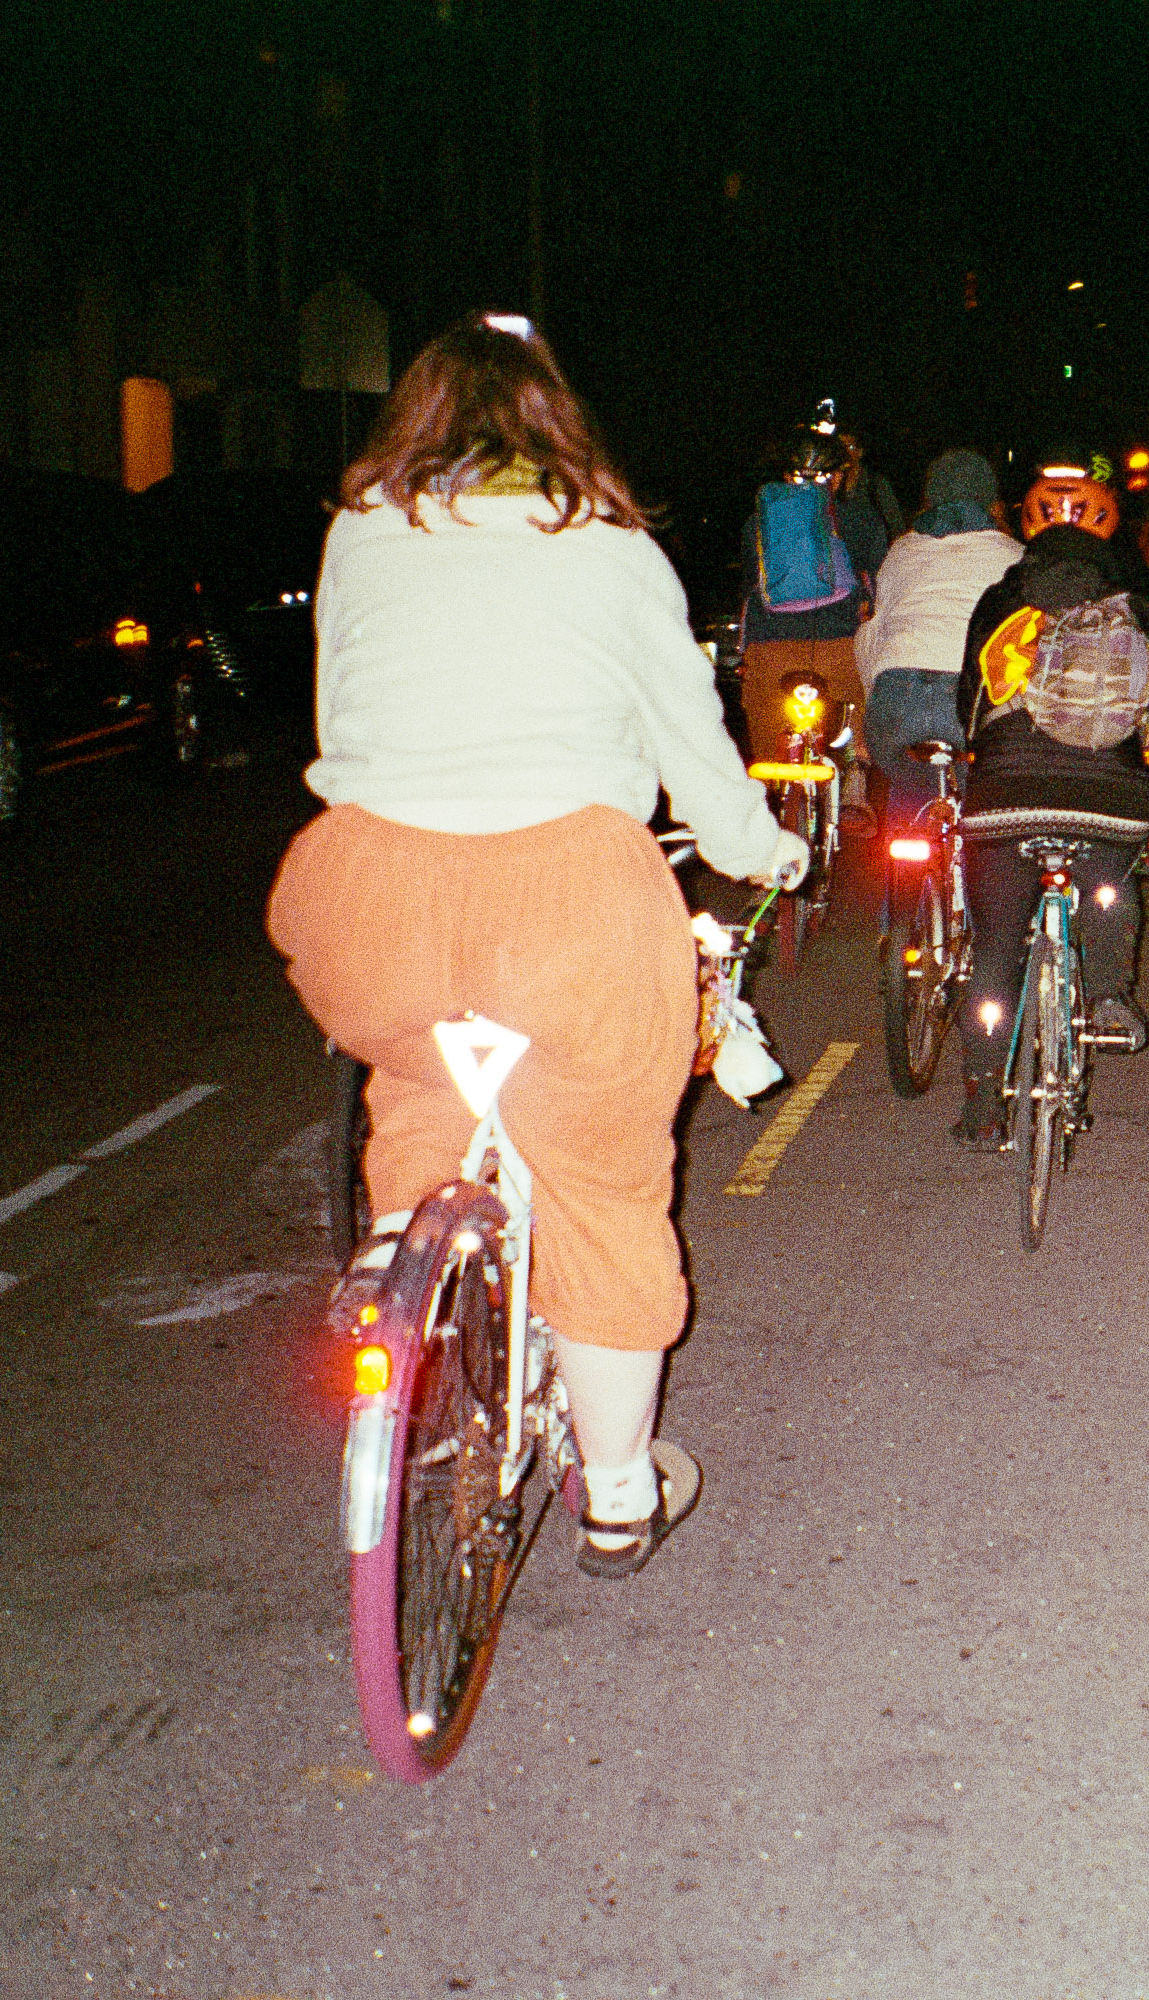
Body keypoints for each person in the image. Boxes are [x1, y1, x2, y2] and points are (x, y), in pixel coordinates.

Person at [266, 310, 807, 1579]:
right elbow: (690, 741)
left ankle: (402, 1245)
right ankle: (617, 1493)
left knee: (418, 1081)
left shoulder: (357, 533)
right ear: (558, 423)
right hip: (566, 891)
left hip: (364, 888)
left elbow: (342, 708)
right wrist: (760, 847)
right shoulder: (613, 549)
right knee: (604, 1185)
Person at [948, 470, 1149, 1146]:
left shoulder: (1001, 597)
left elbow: (970, 698)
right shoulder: (1135, 602)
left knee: (994, 947)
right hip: (1108, 794)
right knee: (1108, 882)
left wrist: (979, 760)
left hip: (1003, 798)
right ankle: (1108, 992)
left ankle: (983, 1106)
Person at [856, 448, 1021, 821]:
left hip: (894, 703)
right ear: (993, 503)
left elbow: (874, 631)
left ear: (928, 499)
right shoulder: (1014, 556)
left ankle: (901, 869)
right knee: (983, 805)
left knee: (910, 791)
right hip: (970, 706)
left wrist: (875, 697)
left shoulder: (900, 551)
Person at [737, 405, 890, 764]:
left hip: (770, 653)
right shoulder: (862, 520)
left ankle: (774, 805)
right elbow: (881, 592)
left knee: (769, 763)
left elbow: (749, 592)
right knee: (853, 751)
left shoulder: (755, 522)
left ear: (787, 476)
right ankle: (852, 804)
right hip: (840, 652)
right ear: (835, 477)